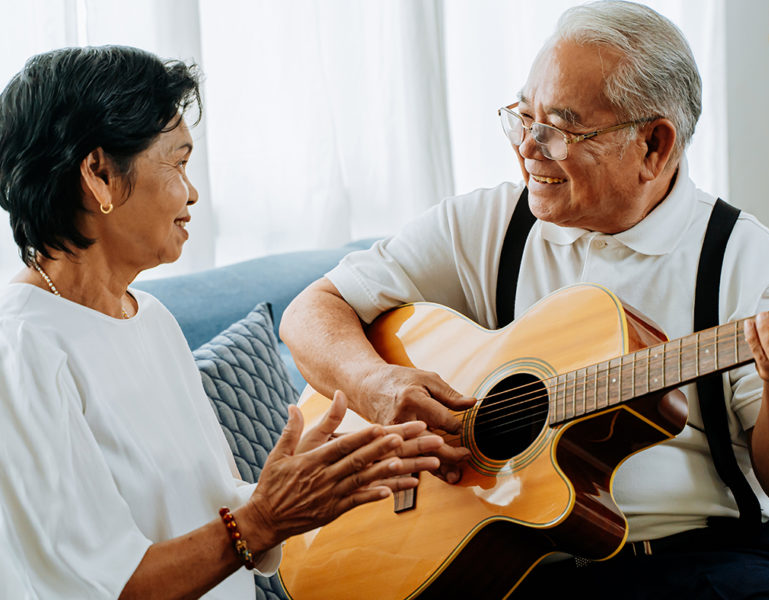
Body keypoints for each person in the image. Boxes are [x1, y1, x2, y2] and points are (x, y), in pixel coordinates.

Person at [281, 1, 769, 597]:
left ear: (655, 146)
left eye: (559, 129)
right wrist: (378, 386)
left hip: (706, 557)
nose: (529, 147)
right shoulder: (488, 224)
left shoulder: (754, 267)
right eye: (523, 118)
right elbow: (312, 311)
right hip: (515, 562)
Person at [0, 45, 445, 599]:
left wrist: (291, 488)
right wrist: (263, 517)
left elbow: (198, 510)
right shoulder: (20, 350)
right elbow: (104, 589)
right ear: (99, 175)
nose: (191, 194)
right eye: (178, 162)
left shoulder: (149, 316)